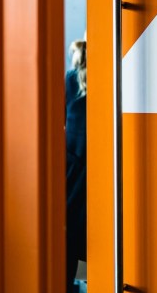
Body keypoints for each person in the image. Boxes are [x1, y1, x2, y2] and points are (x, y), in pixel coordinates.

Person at [65, 38, 87, 292]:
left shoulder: (71, 79)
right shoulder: (115, 76)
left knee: (68, 238)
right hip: (105, 166)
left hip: (74, 168)